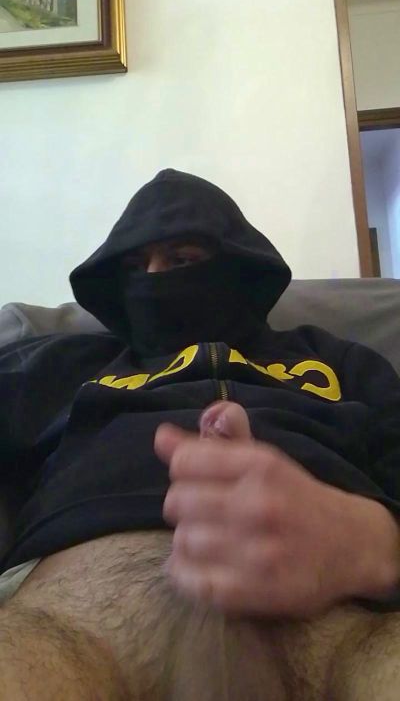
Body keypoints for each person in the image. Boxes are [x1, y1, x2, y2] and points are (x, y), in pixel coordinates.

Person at [1, 168, 400, 699]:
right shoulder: (60, 363)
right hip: (63, 625)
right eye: (135, 267)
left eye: (181, 260)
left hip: (349, 629)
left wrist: (375, 544)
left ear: (236, 267)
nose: (153, 278)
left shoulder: (337, 360)